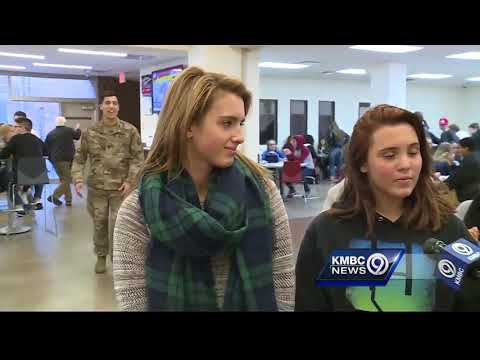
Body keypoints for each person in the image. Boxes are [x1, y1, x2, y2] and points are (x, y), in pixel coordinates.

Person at [112, 66, 295, 311]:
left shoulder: (263, 192)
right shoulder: (139, 209)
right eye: (227, 123)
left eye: (240, 123)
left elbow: (282, 281)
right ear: (188, 125)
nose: (240, 135)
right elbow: (134, 301)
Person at [295, 104, 480, 311]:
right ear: (362, 163)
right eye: (389, 155)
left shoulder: (448, 230)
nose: (405, 164)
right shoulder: (326, 232)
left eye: (413, 152)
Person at [71, 90, 144, 274]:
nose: (111, 106)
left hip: (121, 188)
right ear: (101, 107)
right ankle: (101, 255)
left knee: (119, 224)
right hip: (97, 187)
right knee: (100, 222)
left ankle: (118, 258)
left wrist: (130, 181)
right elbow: (79, 158)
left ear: (118, 107)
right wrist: (78, 179)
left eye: (114, 103)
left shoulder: (130, 131)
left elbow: (138, 158)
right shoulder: (90, 132)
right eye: (107, 103)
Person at [0, 117, 47, 211]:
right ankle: (37, 199)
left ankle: (19, 205)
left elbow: (4, 154)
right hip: (38, 174)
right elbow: (45, 151)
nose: (13, 128)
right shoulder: (37, 139)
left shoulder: (16, 139)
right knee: (37, 172)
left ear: (22, 128)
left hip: (22, 173)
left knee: (9, 182)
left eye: (15, 126)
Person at [44, 116, 82, 207]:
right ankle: (55, 196)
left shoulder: (50, 133)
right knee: (67, 179)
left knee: (64, 179)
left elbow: (45, 148)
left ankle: (68, 200)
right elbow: (77, 136)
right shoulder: (68, 130)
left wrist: (50, 158)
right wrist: (78, 129)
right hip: (66, 159)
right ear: (64, 123)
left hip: (54, 160)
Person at [445, 137, 480, 203]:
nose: (457, 150)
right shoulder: (476, 156)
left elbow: (456, 178)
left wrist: (442, 185)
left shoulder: (469, 160)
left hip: (470, 195)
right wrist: (452, 164)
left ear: (466, 148)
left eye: (459, 148)